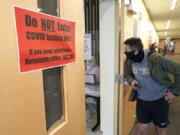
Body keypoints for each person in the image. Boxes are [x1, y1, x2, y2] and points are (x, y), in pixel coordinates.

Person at [124, 37, 180, 135]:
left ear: (135, 51)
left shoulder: (156, 59)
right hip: (142, 100)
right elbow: (127, 74)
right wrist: (131, 81)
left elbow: (178, 70)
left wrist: (175, 92)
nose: (125, 52)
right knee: (142, 128)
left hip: (160, 100)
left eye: (126, 50)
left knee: (160, 129)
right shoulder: (129, 60)